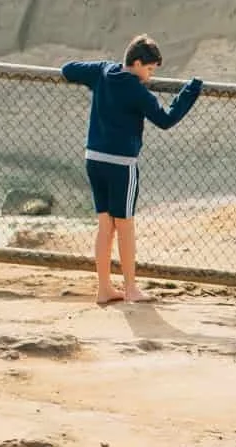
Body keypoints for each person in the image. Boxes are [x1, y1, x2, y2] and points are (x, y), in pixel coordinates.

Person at [61, 38, 202, 306]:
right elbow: (166, 119)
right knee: (124, 225)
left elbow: (68, 69)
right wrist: (190, 91)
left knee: (105, 224)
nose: (150, 77)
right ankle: (131, 289)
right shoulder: (137, 92)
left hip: (94, 158)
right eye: (149, 70)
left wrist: (99, 71)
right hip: (121, 165)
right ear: (137, 63)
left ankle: (104, 289)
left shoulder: (103, 71)